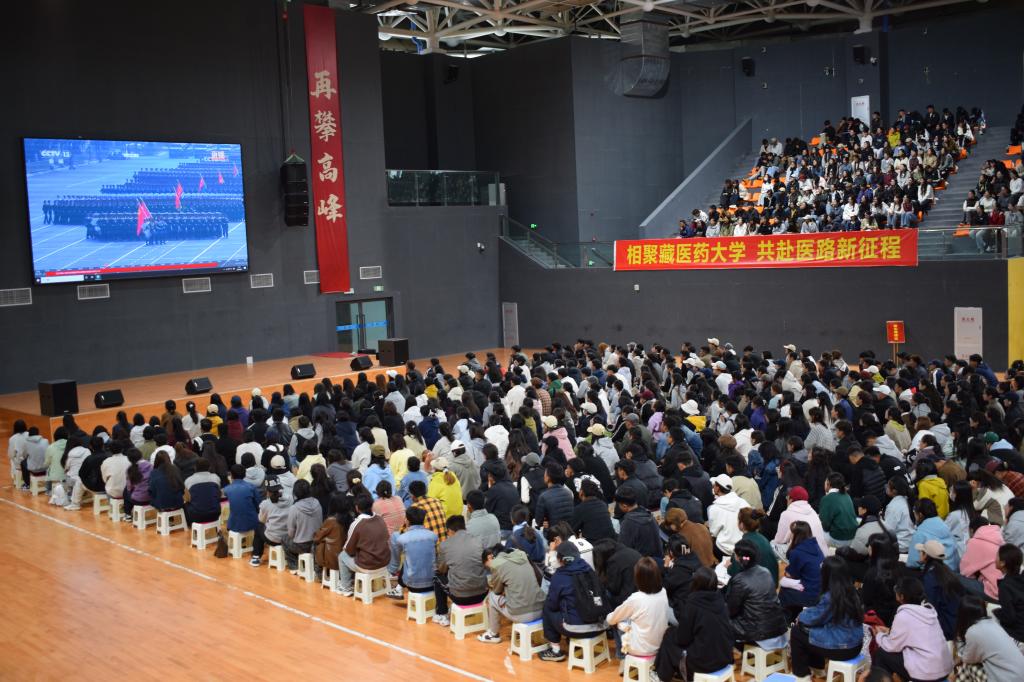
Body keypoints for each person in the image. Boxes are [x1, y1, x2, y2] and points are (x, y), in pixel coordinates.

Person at [789, 557, 864, 682]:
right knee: (814, 630)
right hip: (856, 644)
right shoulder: (852, 591)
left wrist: (800, 616)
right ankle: (817, 669)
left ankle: (802, 675)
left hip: (842, 648)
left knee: (797, 632)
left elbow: (814, 618)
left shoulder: (831, 596)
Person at [655, 566, 734, 681]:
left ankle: (662, 676)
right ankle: (669, 673)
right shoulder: (720, 601)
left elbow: (682, 639)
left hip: (704, 663)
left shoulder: (693, 603)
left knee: (669, 635)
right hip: (725, 657)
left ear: (696, 583)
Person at [871, 576, 954, 682]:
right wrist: (889, 632)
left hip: (926, 673)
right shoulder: (928, 611)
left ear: (901, 596)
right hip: (943, 669)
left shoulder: (904, 615)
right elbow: (916, 636)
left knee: (881, 654)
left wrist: (879, 636)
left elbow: (891, 646)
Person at [537, 542, 608, 662]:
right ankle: (574, 642)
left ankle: (555, 650)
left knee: (547, 608)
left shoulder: (560, 576)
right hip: (601, 626)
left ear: (560, 559)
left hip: (576, 629)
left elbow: (552, 605)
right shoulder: (590, 569)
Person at [476, 544, 546, 643]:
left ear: (490, 557)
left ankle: (493, 634)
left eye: (488, 566)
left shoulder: (497, 564)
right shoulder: (521, 556)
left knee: (492, 596)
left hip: (523, 615)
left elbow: (497, 591)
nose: (490, 569)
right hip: (541, 610)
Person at [726, 538, 789, 646]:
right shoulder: (766, 572)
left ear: (737, 557)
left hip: (759, 634)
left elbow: (731, 610)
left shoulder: (740, 580)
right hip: (777, 627)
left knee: (719, 619)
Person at [606, 557, 670, 659]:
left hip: (640, 648)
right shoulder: (663, 592)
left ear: (638, 578)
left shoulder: (636, 598)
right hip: (660, 644)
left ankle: (622, 657)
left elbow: (611, 619)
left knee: (619, 621)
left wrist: (608, 617)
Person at [432, 515, 488, 627]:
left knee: (436, 576)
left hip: (461, 597)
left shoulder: (445, 545)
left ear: (450, 530)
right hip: (482, 594)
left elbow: (441, 569)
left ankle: (442, 613)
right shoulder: (478, 540)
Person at [956, 593, 1024, 682]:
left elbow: (967, 658)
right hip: (1019, 674)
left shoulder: (973, 631)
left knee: (966, 666)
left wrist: (959, 639)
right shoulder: (993, 622)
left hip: (1008, 679)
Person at [337, 494, 391, 595]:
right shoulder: (380, 518)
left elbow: (348, 550)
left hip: (367, 565)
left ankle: (345, 587)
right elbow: (386, 537)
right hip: (384, 562)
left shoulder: (357, 524)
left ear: (357, 508)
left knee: (342, 556)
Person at [386, 506, 438, 600]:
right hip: (433, 583)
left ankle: (397, 587)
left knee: (408, 559)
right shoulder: (433, 536)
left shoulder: (401, 538)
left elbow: (396, 558)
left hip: (412, 584)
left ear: (407, 521)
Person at [918, 539, 965, 639]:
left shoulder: (930, 577)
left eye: (921, 552)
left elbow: (930, 607)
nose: (919, 554)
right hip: (957, 622)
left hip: (945, 627)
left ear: (925, 555)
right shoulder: (946, 571)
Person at [779, 520, 825, 618]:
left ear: (796, 535)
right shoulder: (815, 545)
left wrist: (787, 572)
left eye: (791, 532)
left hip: (811, 594)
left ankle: (786, 620)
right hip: (821, 590)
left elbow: (790, 575)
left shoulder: (797, 552)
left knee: (784, 591)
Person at [860, 533, 905, 626]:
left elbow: (866, 599)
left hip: (874, 617)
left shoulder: (872, 573)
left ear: (876, 549)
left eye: (870, 545)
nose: (867, 547)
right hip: (894, 614)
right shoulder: (898, 567)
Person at [772, 485, 827, 560]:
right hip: (822, 554)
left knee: (772, 545)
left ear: (791, 499)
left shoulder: (786, 514)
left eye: (787, 497)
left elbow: (780, 540)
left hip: (804, 556)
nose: (786, 499)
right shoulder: (812, 511)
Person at [728, 508, 778, 584]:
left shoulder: (744, 544)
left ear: (741, 525)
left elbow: (735, 571)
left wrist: (729, 567)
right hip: (771, 583)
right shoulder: (763, 539)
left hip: (757, 586)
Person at [906, 498, 959, 570]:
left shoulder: (920, 533)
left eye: (914, 512)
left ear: (920, 515)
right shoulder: (944, 525)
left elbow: (912, 563)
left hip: (934, 572)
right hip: (952, 570)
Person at [960, 518, 1005, 599]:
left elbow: (965, 572)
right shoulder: (998, 538)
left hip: (994, 591)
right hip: (1006, 588)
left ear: (971, 530)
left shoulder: (974, 542)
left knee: (956, 578)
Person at [284, 479, 323, 573]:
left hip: (301, 545)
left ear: (296, 492)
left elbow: (290, 533)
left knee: (284, 538)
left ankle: (294, 566)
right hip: (317, 542)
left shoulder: (294, 508)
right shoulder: (317, 502)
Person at [251, 478, 291, 566]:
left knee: (258, 527)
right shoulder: (290, 499)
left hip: (273, 539)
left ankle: (256, 557)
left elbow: (261, 520)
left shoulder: (266, 503)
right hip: (288, 537)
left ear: (267, 490)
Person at [707, 473, 750, 556]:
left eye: (714, 485)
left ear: (717, 488)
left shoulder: (714, 508)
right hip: (743, 548)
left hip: (723, 549)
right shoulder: (743, 502)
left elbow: (713, 532)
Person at [616, 488, 663, 562]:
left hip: (644, 563)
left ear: (624, 506)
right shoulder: (647, 513)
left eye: (618, 504)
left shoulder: (628, 523)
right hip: (659, 557)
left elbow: (623, 549)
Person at [818, 472, 858, 548]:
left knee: (816, 528)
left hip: (838, 538)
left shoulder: (827, 499)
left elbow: (824, 525)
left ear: (828, 483)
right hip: (853, 535)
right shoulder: (847, 495)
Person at [994, 543, 1024, 641]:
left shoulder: (1005, 586)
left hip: (1019, 633)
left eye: (997, 556)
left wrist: (997, 612)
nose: (994, 559)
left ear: (1002, 563)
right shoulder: (1020, 578)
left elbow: (1009, 618)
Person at [224, 463, 261, 535]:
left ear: (231, 475)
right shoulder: (251, 487)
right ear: (245, 474)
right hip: (252, 523)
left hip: (234, 524)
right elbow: (258, 505)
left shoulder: (227, 489)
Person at [183, 458, 222, 526]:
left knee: (186, 503)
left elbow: (187, 499)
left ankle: (190, 526)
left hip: (196, 516)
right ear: (209, 467)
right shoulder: (216, 478)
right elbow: (219, 495)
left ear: (195, 467)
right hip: (215, 514)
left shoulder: (188, 480)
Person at [883, 475, 917, 553]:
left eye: (888, 486)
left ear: (894, 491)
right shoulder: (907, 499)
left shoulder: (893, 506)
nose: (886, 487)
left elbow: (889, 530)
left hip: (901, 545)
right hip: (910, 542)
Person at [122, 448, 152, 521]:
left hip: (138, 499)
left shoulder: (130, 469)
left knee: (126, 491)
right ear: (141, 455)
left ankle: (128, 514)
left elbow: (129, 488)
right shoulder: (151, 465)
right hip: (152, 497)